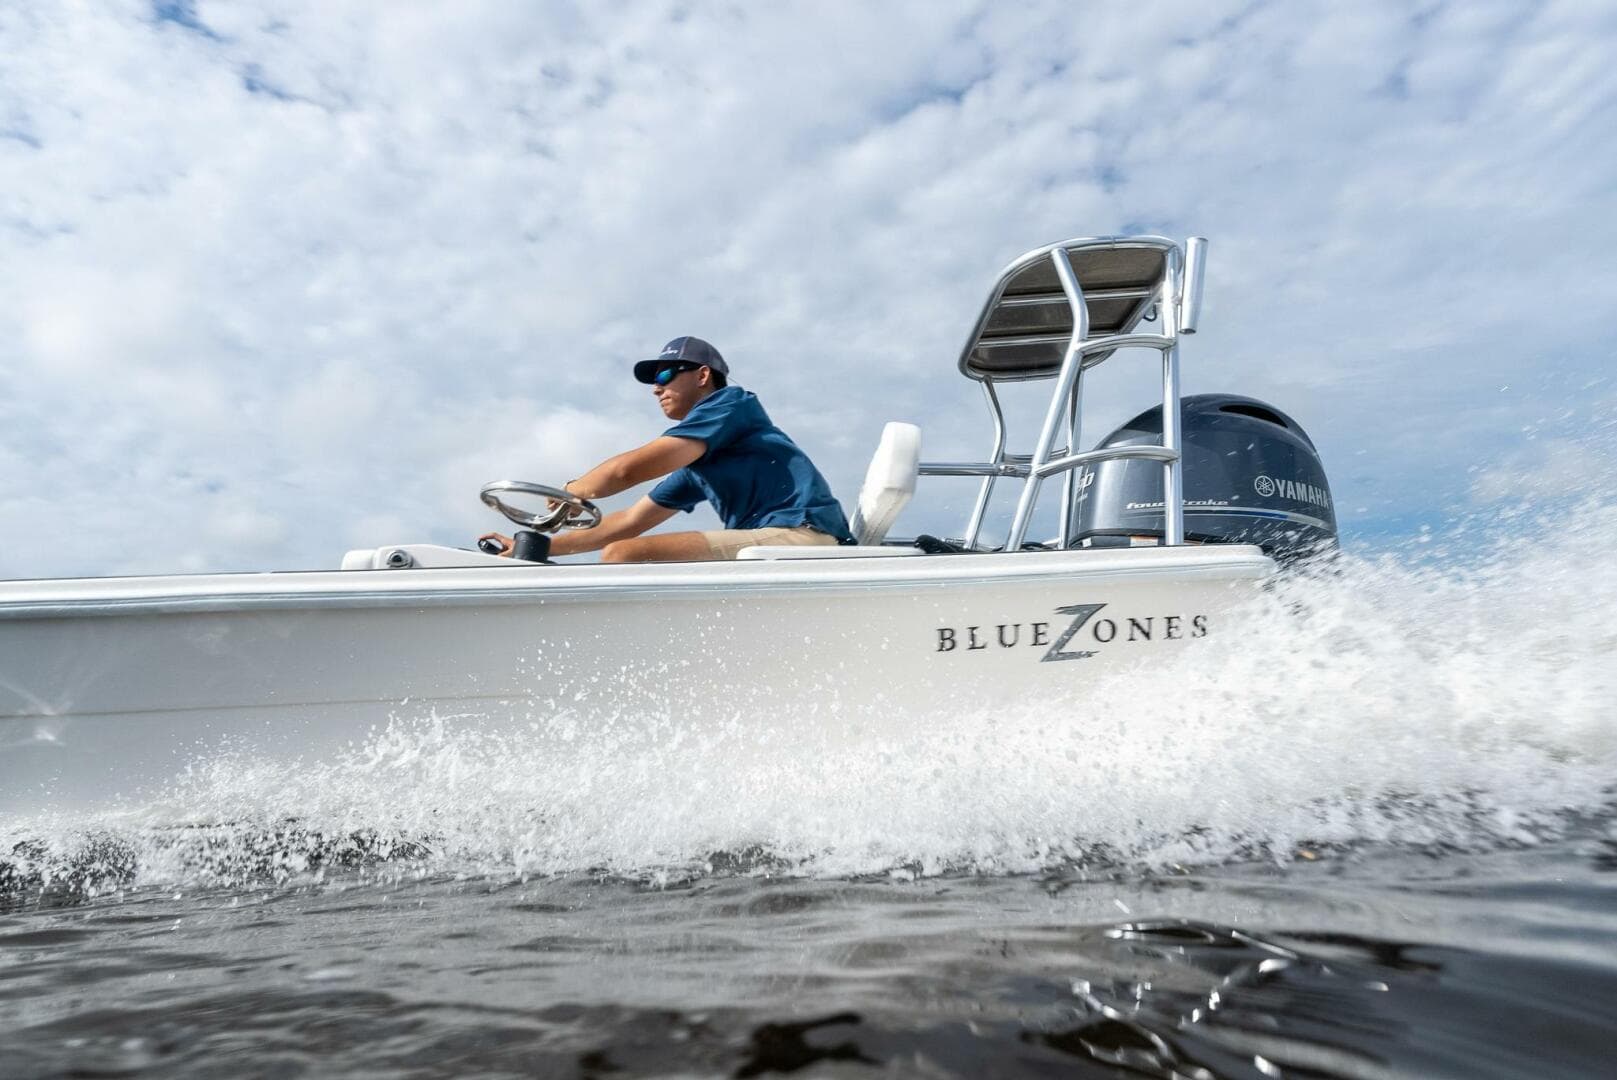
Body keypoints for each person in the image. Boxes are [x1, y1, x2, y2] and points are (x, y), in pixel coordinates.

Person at [481, 336, 853, 563]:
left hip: (805, 535)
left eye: (665, 375)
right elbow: (627, 522)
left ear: (703, 376)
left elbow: (627, 471)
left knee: (622, 555)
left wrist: (574, 490)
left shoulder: (732, 404)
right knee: (622, 545)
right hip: (775, 543)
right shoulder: (699, 463)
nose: (656, 388)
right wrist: (535, 547)